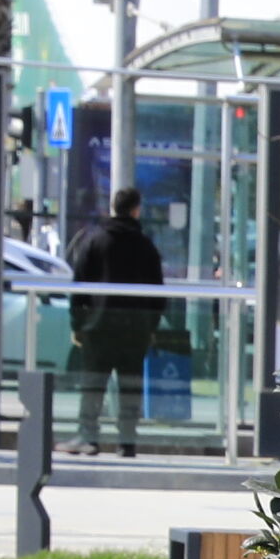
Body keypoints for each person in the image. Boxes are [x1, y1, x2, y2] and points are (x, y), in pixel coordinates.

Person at [68, 190, 163, 448]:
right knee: (130, 386)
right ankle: (127, 441)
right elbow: (158, 292)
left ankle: (88, 436)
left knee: (93, 385)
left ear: (114, 207)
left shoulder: (94, 241)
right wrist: (151, 326)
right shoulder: (146, 246)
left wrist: (78, 324)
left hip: (97, 327)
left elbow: (78, 287)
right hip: (135, 329)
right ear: (136, 210)